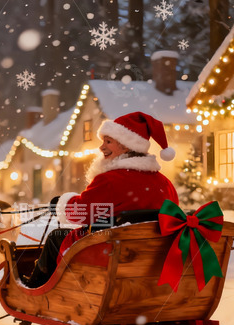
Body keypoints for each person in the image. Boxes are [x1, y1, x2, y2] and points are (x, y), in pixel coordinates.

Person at [24, 111, 180, 288]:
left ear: (126, 146)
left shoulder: (110, 180)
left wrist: (61, 204)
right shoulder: (164, 183)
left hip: (110, 255)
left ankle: (37, 289)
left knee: (56, 237)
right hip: (152, 261)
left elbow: (82, 213)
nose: (101, 147)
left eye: (108, 141)